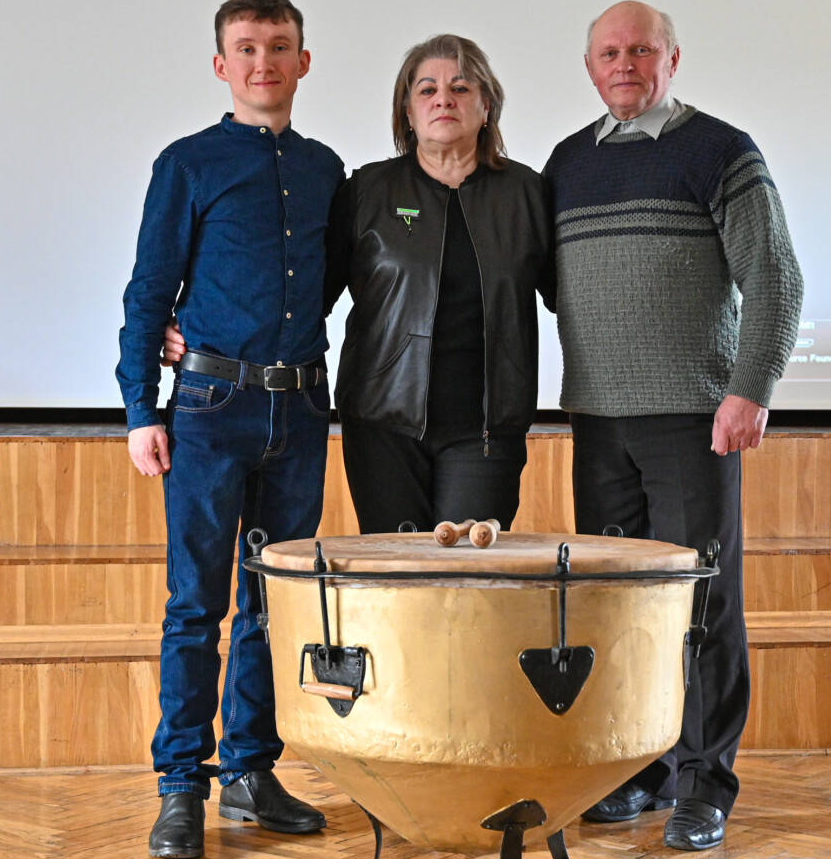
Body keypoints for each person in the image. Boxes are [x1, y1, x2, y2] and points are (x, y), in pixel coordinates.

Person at [544, 0, 804, 851]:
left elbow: (775, 277)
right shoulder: (567, 163)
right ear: (589, 67)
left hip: (692, 419)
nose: (624, 65)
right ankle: (641, 771)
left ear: (672, 59)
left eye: (641, 50)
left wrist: (750, 388)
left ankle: (702, 784)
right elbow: (554, 282)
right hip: (596, 422)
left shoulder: (720, 151)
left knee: (700, 603)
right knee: (617, 607)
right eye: (608, 53)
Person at [117, 0, 343, 859]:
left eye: (278, 46)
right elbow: (149, 291)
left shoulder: (325, 170)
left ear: (302, 61)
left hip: (301, 409)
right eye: (246, 48)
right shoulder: (187, 164)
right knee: (194, 606)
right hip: (209, 413)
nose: (262, 62)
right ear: (221, 65)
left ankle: (251, 773)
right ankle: (181, 786)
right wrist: (142, 408)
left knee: (270, 604)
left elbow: (323, 282)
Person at [166, 35, 554, 534]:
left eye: (460, 88)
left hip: (485, 431)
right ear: (407, 112)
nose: (443, 100)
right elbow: (303, 296)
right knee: (392, 571)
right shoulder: (367, 190)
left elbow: (568, 297)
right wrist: (193, 328)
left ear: (486, 107)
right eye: (427, 90)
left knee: (466, 571)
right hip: (380, 427)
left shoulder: (528, 194)